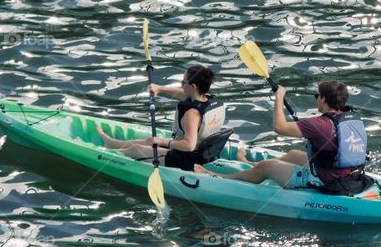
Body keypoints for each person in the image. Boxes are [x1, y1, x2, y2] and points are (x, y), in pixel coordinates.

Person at [195, 80, 367, 192]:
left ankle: (216, 176)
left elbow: (279, 127)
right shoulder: (349, 117)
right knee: (293, 155)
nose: (316, 100)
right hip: (348, 174)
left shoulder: (318, 124)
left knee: (267, 167)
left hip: (327, 181)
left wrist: (278, 98)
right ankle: (248, 164)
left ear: (323, 99)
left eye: (317, 96)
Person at [97, 65, 226, 171]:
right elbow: (185, 95)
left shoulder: (191, 115)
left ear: (193, 86)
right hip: (204, 154)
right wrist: (160, 89)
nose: (181, 85)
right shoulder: (209, 100)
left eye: (183, 82)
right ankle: (112, 143)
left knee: (136, 150)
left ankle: (104, 154)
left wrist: (163, 141)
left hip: (186, 160)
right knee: (150, 140)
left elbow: (189, 145)